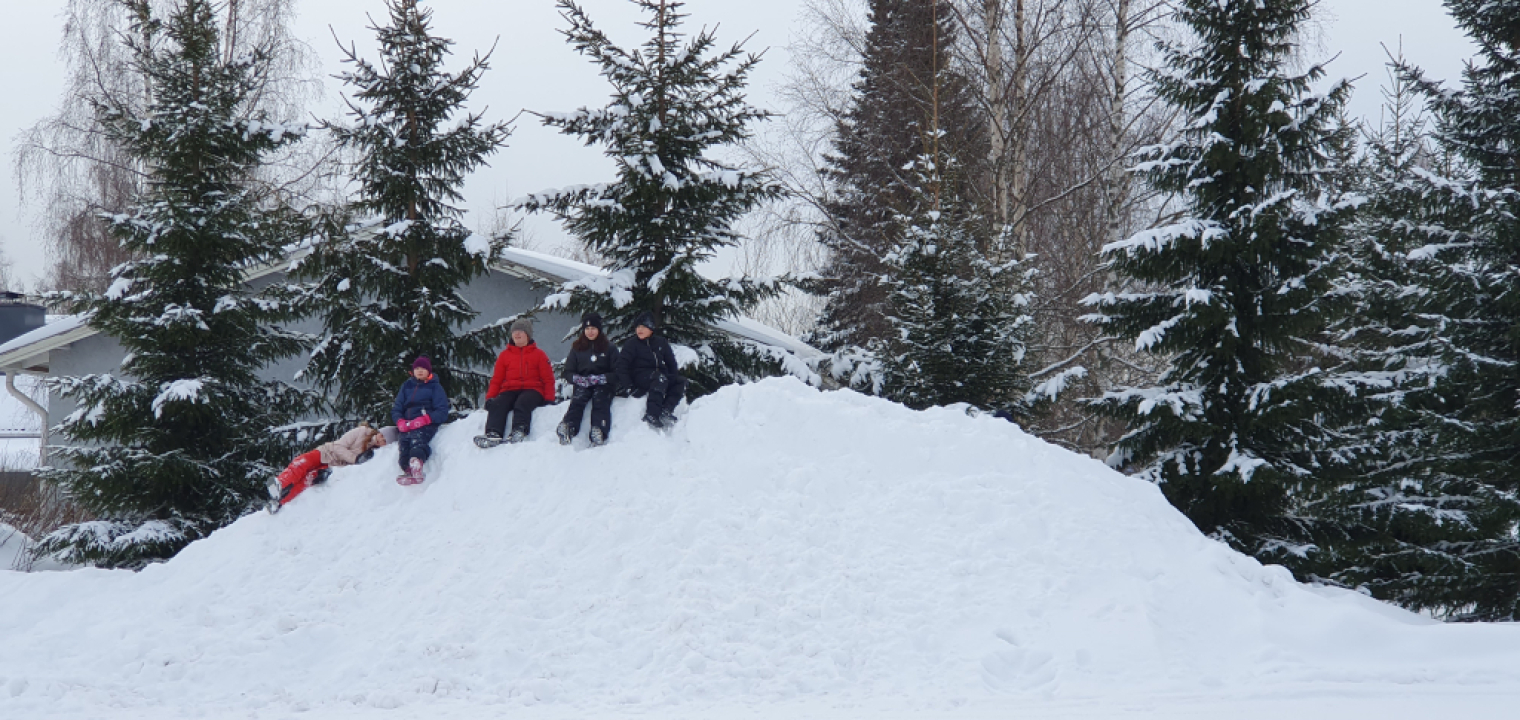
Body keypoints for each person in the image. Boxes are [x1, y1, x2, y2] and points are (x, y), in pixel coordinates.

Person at [268, 422, 390, 512]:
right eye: (382, 436)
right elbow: (339, 446)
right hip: (326, 452)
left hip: (332, 466)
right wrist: (355, 459)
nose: (382, 440)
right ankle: (280, 484)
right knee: (300, 464)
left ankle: (279, 502)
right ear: (380, 432)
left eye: (385, 441)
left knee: (307, 480)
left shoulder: (374, 452)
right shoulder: (362, 431)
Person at [475, 318, 556, 448]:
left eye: (521, 331)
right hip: (510, 389)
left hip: (533, 390)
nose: (517, 334)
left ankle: (519, 430)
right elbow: (497, 379)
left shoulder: (539, 355)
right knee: (498, 404)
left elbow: (548, 379)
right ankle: (493, 433)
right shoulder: (504, 355)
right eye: (515, 331)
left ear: (528, 335)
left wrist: (549, 399)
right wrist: (490, 397)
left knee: (522, 403)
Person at [614, 311, 689, 429]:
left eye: (643, 326)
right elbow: (621, 367)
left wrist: (673, 378)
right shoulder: (631, 344)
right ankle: (652, 414)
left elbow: (671, 363)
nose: (640, 329)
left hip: (659, 375)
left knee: (681, 381)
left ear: (651, 328)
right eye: (638, 327)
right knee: (659, 378)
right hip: (640, 377)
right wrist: (629, 387)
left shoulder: (660, 342)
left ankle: (666, 410)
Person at [556, 312, 619, 446]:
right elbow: (568, 371)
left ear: (599, 330)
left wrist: (602, 378)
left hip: (603, 384)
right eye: (587, 329)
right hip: (583, 382)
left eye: (593, 329)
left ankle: (599, 429)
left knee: (600, 400)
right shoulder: (577, 348)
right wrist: (577, 379)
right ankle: (569, 426)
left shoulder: (610, 348)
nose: (590, 332)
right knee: (578, 399)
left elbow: (618, 372)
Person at [392, 356, 450, 485]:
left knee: (418, 439)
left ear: (429, 371)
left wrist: (427, 419)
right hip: (407, 423)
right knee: (404, 444)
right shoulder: (406, 386)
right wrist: (399, 421)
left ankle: (417, 463)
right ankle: (407, 469)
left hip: (425, 423)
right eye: (417, 368)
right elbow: (397, 408)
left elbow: (442, 411)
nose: (420, 371)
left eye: (423, 368)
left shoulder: (435, 387)